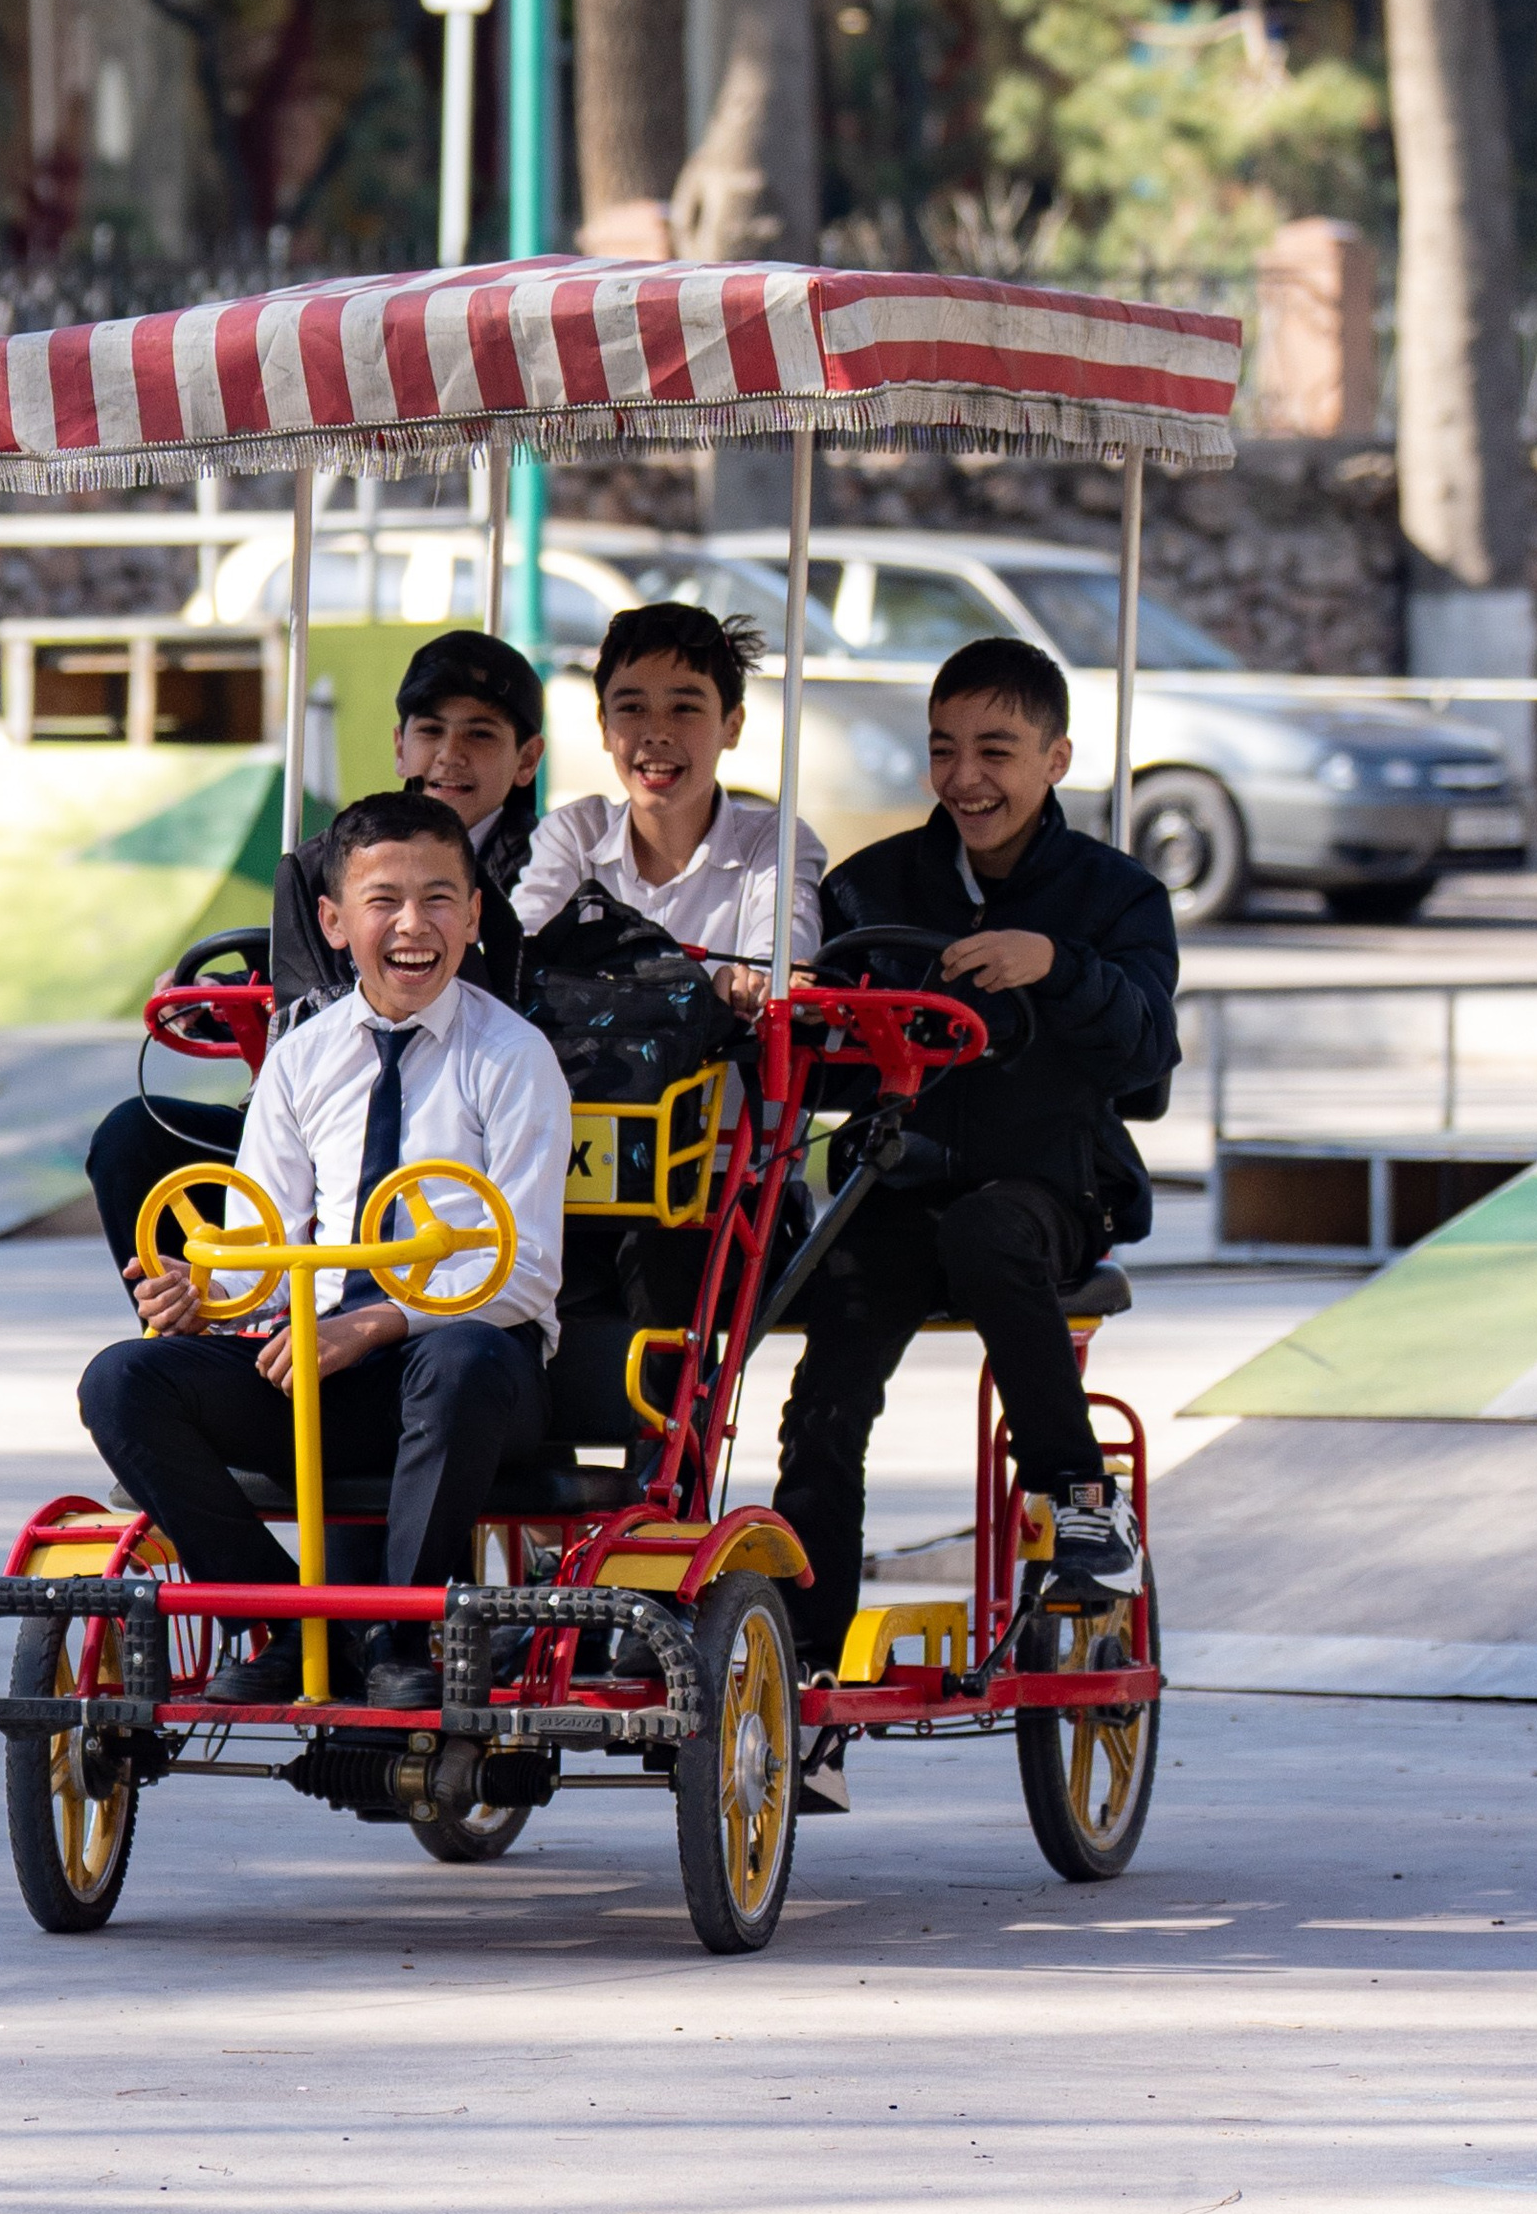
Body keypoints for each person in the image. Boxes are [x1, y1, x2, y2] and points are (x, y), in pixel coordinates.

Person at [79, 790, 571, 1712]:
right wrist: (206, 1290)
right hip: (321, 1366)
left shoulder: (513, 1058)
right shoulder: (303, 1060)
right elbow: (262, 1239)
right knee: (122, 1382)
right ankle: (282, 1625)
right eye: (383, 901)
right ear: (335, 923)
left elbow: (526, 1271)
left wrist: (374, 1325)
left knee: (461, 1355)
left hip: (463, 1380)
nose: (412, 925)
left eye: (437, 899)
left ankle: (400, 1633)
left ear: (471, 916)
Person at [772, 633, 1179, 1709]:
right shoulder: (871, 884)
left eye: (994, 750)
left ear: (1056, 758)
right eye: (943, 749)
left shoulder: (1117, 896)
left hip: (1047, 1186)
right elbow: (820, 1078)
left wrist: (1058, 965)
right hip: (898, 1183)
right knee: (830, 1365)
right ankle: (798, 1658)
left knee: (987, 1231)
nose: (964, 777)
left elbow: (1147, 1066)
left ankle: (1080, 1497)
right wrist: (824, 1013)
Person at [83, 630, 548, 1274]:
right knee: (133, 1137)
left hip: (470, 1129)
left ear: (526, 760)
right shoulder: (321, 864)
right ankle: (187, 1321)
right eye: (431, 732)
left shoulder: (548, 872)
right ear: (399, 745)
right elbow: (308, 1003)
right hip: (329, 1119)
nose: (449, 757)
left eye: (479, 735)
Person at [510, 602, 824, 1012]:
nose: (656, 733)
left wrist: (759, 980)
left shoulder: (777, 842)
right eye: (632, 708)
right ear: (605, 727)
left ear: (732, 725)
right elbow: (517, 955)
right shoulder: (574, 833)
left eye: (684, 708)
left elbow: (780, 951)